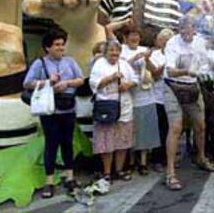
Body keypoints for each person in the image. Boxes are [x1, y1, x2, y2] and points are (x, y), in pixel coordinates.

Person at [23, 28, 84, 198]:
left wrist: (67, 83)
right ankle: (49, 182)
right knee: (51, 144)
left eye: (62, 44)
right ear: (47, 47)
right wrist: (47, 82)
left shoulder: (70, 61)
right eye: (57, 45)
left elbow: (80, 80)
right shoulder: (39, 63)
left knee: (67, 143)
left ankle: (70, 177)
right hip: (49, 110)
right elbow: (27, 83)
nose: (61, 48)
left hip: (68, 108)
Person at [163, 16, 214, 191]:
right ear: (179, 30)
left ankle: (200, 156)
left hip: (192, 87)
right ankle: (170, 172)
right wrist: (187, 71)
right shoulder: (172, 43)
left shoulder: (200, 42)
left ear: (195, 30)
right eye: (183, 30)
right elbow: (170, 71)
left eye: (190, 30)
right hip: (173, 87)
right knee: (176, 127)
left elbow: (205, 62)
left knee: (201, 125)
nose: (187, 34)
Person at [90, 39, 137, 182]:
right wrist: (111, 78)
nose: (114, 53)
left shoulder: (124, 64)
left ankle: (119, 170)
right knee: (106, 141)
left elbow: (136, 79)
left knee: (122, 140)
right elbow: (94, 84)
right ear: (105, 52)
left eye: (117, 50)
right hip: (106, 107)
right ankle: (107, 172)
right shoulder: (99, 64)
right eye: (111, 50)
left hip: (124, 107)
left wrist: (128, 84)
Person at [120, 26, 160, 176]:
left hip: (147, 96)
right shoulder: (121, 50)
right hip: (129, 97)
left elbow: (155, 72)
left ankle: (143, 161)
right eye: (131, 35)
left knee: (145, 131)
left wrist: (147, 59)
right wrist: (135, 58)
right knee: (130, 131)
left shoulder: (145, 50)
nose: (135, 37)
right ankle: (130, 161)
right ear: (125, 37)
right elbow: (121, 68)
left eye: (137, 34)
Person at [148, 29, 175, 171]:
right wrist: (167, 65)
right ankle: (157, 159)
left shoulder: (175, 54)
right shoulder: (155, 55)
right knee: (160, 130)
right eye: (162, 39)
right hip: (158, 97)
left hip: (173, 97)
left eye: (168, 40)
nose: (165, 42)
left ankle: (169, 158)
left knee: (172, 129)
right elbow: (155, 75)